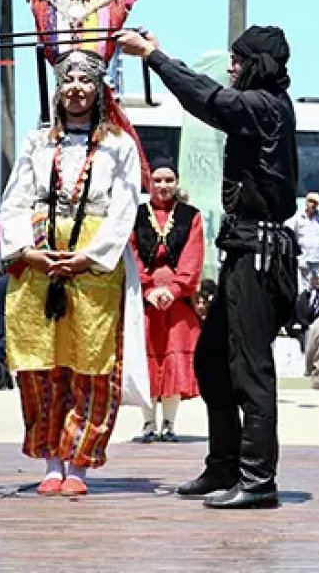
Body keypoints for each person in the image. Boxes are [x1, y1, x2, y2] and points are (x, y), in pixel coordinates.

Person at [118, 25, 298, 509]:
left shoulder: (264, 106)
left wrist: (154, 56)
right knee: (213, 361)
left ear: (257, 63)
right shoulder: (262, 105)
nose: (232, 67)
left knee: (250, 371)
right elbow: (212, 95)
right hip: (244, 249)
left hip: (259, 254)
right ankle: (224, 467)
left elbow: (209, 99)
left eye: (239, 60)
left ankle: (259, 480)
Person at [0, 46, 146, 497]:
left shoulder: (119, 145)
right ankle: (51, 461)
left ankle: (79, 463)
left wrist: (89, 256)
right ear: (58, 90)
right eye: (69, 81)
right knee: (40, 363)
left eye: (85, 82)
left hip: (93, 262)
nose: (76, 90)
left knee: (91, 361)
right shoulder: (36, 141)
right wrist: (28, 251)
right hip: (39, 260)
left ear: (99, 90)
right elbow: (15, 200)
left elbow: (124, 208)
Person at [132, 157, 205, 443]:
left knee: (174, 359)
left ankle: (170, 424)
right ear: (148, 182)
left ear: (177, 183)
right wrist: (148, 288)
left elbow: (193, 256)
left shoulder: (192, 215)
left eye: (169, 180)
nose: (163, 186)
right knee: (147, 359)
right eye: (157, 180)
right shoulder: (135, 214)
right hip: (144, 299)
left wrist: (174, 290)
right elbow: (130, 255)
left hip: (178, 303)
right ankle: (149, 423)